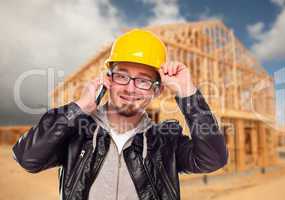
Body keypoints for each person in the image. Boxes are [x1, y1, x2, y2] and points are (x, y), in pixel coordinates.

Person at [12, 29, 228, 200]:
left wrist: (188, 93)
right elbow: (27, 158)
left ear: (157, 90)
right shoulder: (77, 133)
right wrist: (79, 108)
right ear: (108, 80)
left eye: (143, 81)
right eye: (122, 76)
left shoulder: (165, 142)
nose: (130, 88)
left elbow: (212, 160)